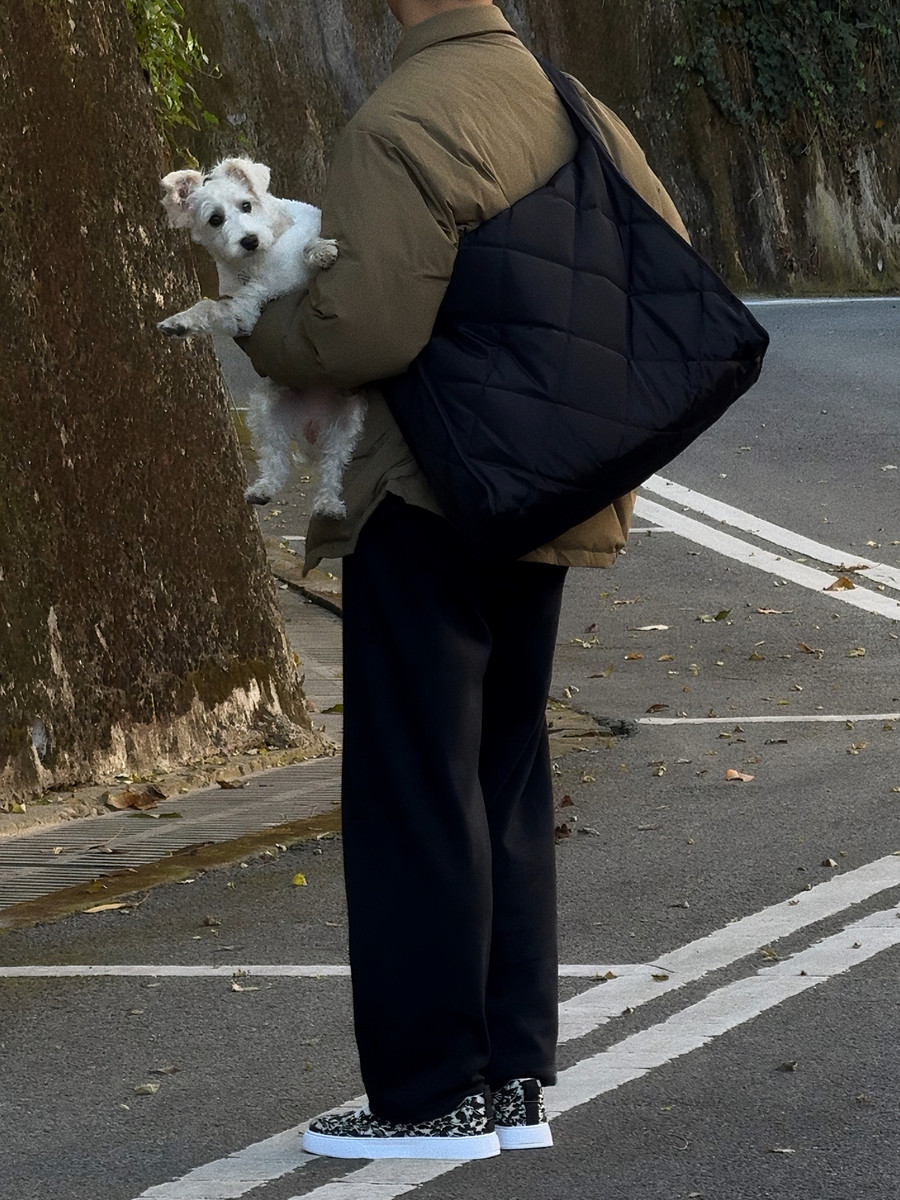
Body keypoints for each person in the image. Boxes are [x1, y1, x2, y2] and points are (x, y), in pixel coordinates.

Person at [239, 0, 689, 1161]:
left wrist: (255, 321)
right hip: (544, 490)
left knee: (414, 788)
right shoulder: (573, 104)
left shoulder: (399, 121)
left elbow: (359, 330)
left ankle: (429, 1090)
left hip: (429, 492)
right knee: (504, 775)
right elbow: (661, 244)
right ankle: (510, 1083)